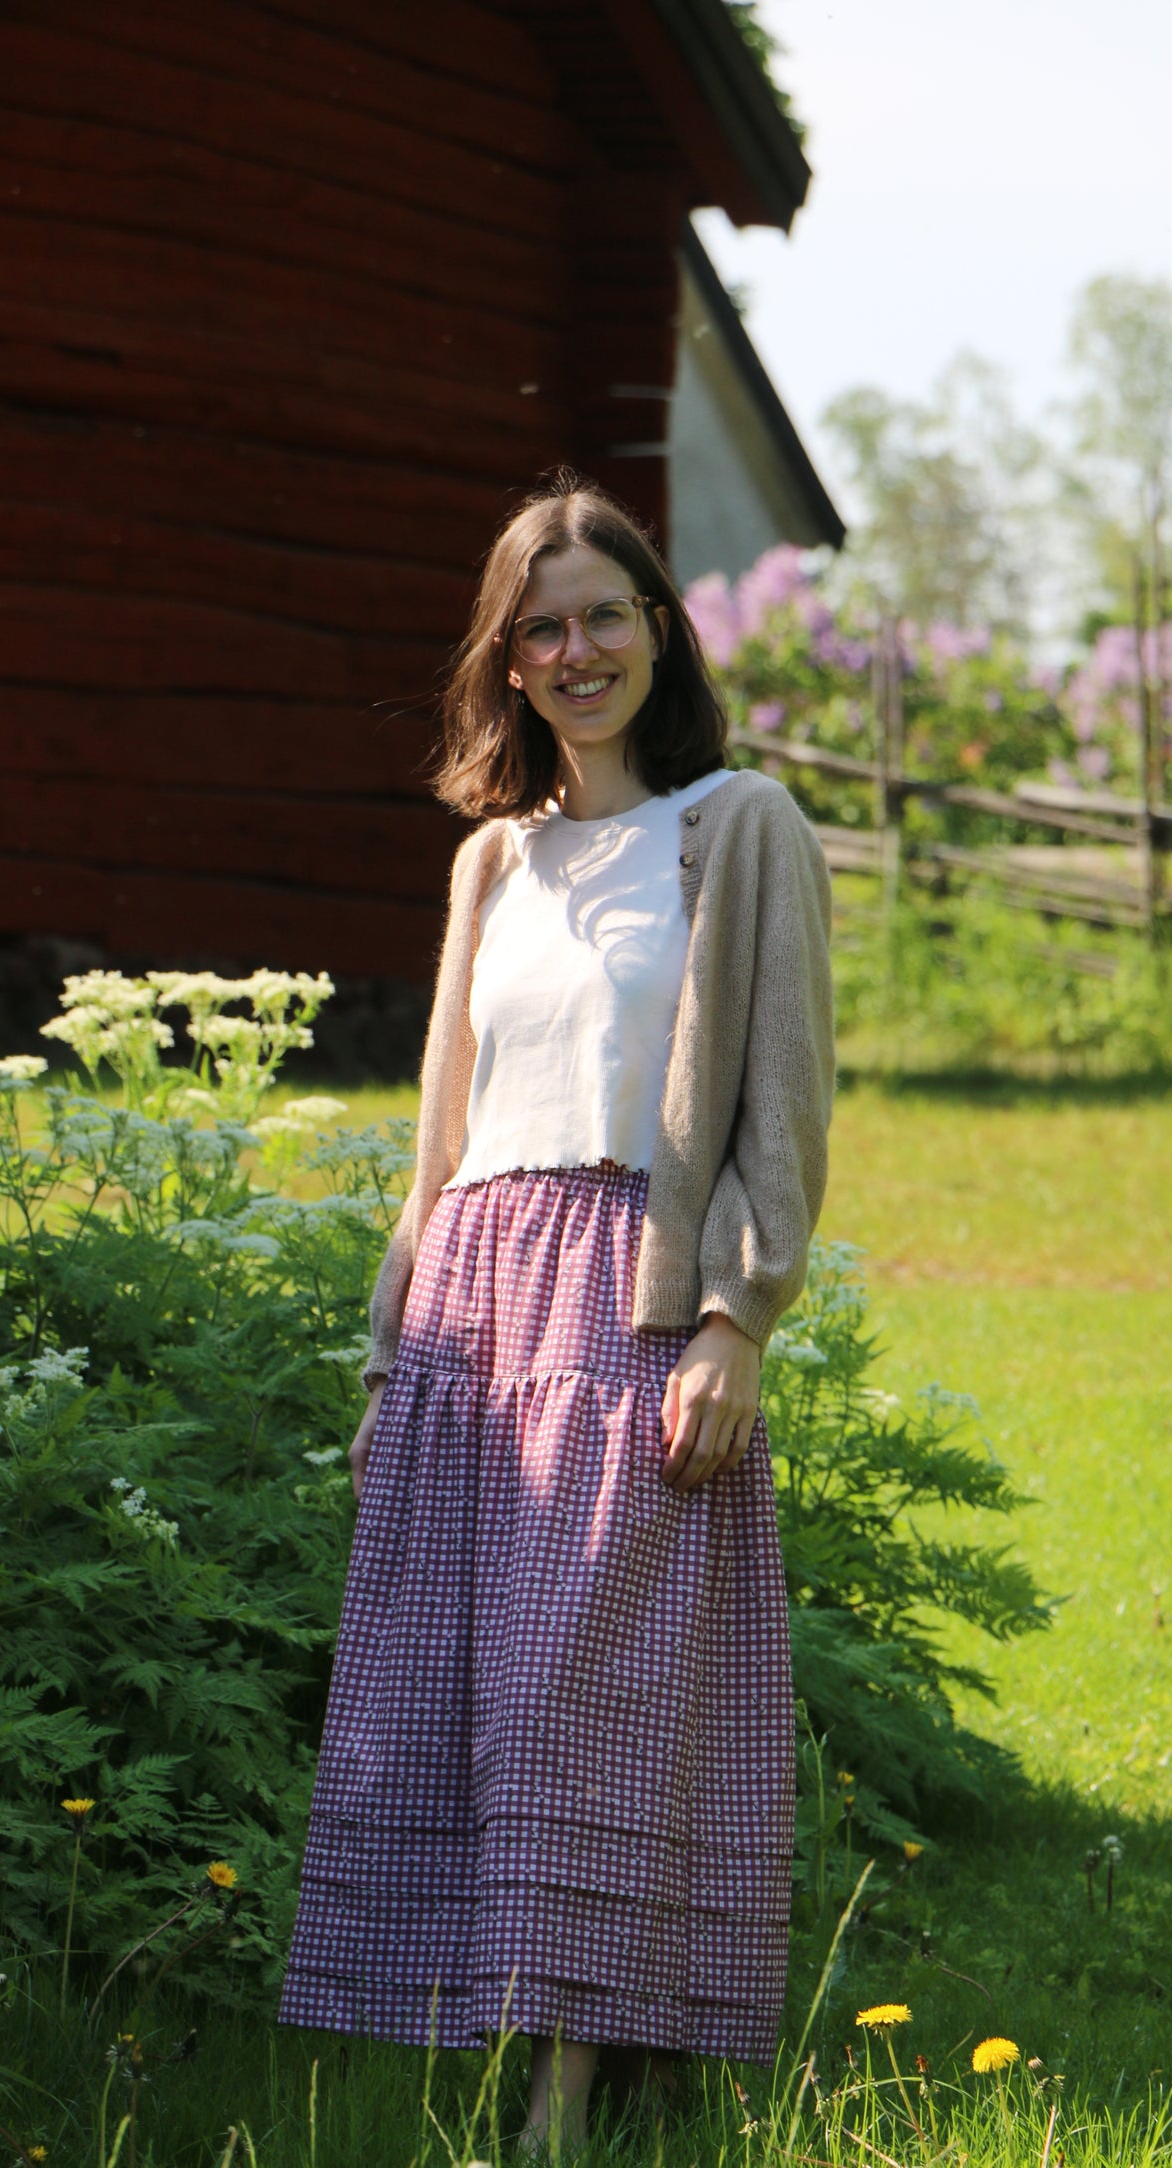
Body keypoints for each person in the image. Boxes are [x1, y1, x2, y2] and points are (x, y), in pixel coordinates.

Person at [278, 478, 834, 2147]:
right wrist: (388, 1359)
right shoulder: (487, 866)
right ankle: (491, 2050)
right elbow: (438, 1139)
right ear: (506, 661)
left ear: (659, 629)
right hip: (470, 1309)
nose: (576, 648)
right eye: (544, 626)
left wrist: (737, 1319)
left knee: (585, 1685)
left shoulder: (739, 827)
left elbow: (784, 1108)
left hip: (629, 1292)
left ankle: (569, 2096)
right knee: (448, 1687)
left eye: (605, 613)